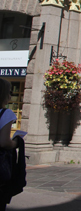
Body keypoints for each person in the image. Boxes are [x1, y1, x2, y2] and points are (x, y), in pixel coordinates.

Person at [0, 78, 17, 211]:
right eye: (9, 93)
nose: (10, 96)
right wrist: (16, 143)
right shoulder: (6, 113)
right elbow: (4, 141)